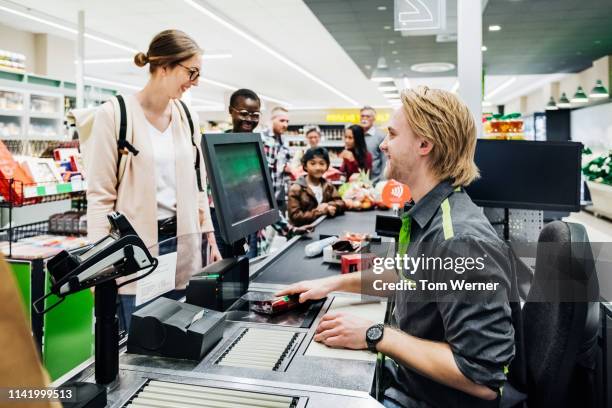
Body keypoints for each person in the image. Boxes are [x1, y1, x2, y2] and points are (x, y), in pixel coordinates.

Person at [278, 86, 520, 408]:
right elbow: (408, 276)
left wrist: (376, 335)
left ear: (424, 144)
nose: (382, 144)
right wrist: (332, 284)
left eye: (392, 134)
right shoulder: (428, 213)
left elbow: (481, 378)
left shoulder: (460, 241)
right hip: (405, 381)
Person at [87, 29, 221, 331]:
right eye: (192, 72)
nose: (196, 81)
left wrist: (208, 235)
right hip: (137, 254)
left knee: (180, 337)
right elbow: (100, 197)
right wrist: (97, 265)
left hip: (183, 249)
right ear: (164, 67)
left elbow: (198, 186)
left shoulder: (187, 116)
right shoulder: (115, 115)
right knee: (141, 344)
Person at [208, 88, 262, 259]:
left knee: (247, 266)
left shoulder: (259, 148)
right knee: (222, 268)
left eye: (255, 115)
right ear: (231, 111)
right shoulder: (215, 147)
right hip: (220, 221)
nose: (249, 120)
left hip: (251, 218)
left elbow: (266, 192)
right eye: (244, 113)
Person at [288, 147, 345, 226]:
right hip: (304, 233)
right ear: (305, 166)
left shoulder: (327, 185)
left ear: (327, 166)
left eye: (322, 163)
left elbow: (341, 203)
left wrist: (329, 205)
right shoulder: (296, 189)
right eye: (312, 163)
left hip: (324, 227)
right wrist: (321, 211)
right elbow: (295, 217)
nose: (317, 168)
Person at [262, 106, 292, 212]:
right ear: (272, 120)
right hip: (266, 197)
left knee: (281, 225)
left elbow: (286, 162)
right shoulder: (263, 138)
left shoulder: (283, 140)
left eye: (287, 121)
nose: (285, 125)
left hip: (280, 194)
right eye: (282, 121)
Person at [361, 106, 387, 183]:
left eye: (368, 116)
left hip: (375, 181)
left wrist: (382, 181)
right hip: (359, 182)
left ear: (374, 119)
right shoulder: (357, 135)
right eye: (362, 116)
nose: (364, 118)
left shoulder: (381, 136)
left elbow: (385, 160)